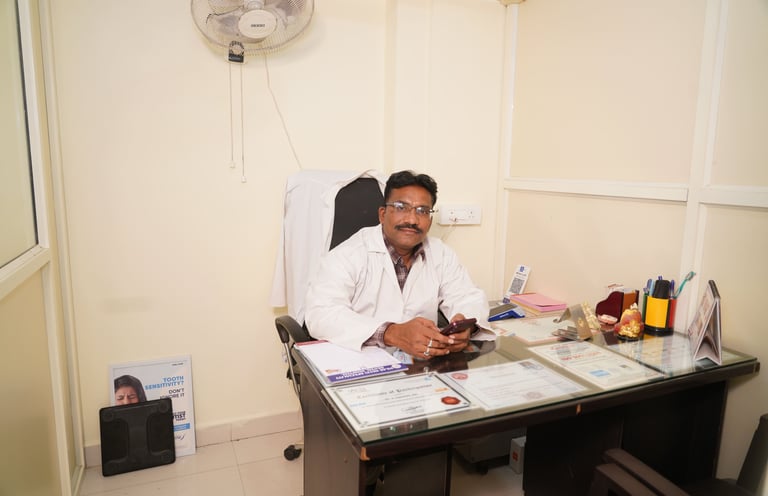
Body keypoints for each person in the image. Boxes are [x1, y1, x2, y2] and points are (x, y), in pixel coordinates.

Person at [305, 170, 490, 359]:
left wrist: (465, 326)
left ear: (430, 220)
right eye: (401, 207)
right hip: (358, 362)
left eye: (422, 211)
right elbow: (320, 313)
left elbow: (466, 296)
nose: (412, 220)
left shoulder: (441, 253)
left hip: (422, 364)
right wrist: (391, 333)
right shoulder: (347, 255)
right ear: (382, 214)